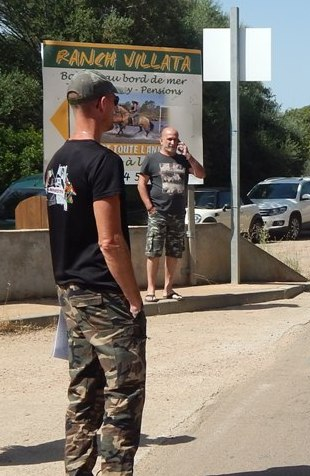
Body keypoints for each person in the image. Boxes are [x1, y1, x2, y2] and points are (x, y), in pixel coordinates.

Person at [45, 70, 146, 475]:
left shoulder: (59, 161)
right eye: (116, 102)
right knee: (123, 395)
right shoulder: (103, 162)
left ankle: (76, 470)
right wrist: (134, 299)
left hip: (70, 293)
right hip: (105, 297)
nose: (118, 109)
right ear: (102, 104)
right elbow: (110, 241)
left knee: (83, 392)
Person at [137, 127, 205, 302]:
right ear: (161, 140)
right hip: (158, 213)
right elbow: (141, 184)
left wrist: (189, 156)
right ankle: (151, 290)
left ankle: (168, 289)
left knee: (174, 252)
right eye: (169, 139)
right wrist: (149, 207)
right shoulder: (152, 159)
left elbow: (201, 174)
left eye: (175, 139)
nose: (172, 142)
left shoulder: (183, 160)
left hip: (177, 214)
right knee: (153, 251)